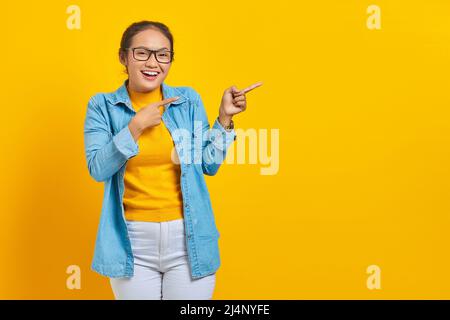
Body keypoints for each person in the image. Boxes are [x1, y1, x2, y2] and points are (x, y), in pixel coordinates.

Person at [83, 20, 262, 300]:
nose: (153, 62)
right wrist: (135, 127)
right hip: (132, 243)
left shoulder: (187, 100)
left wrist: (225, 119)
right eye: (142, 53)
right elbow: (98, 168)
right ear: (123, 57)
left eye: (163, 54)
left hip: (188, 240)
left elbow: (209, 164)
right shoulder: (102, 106)